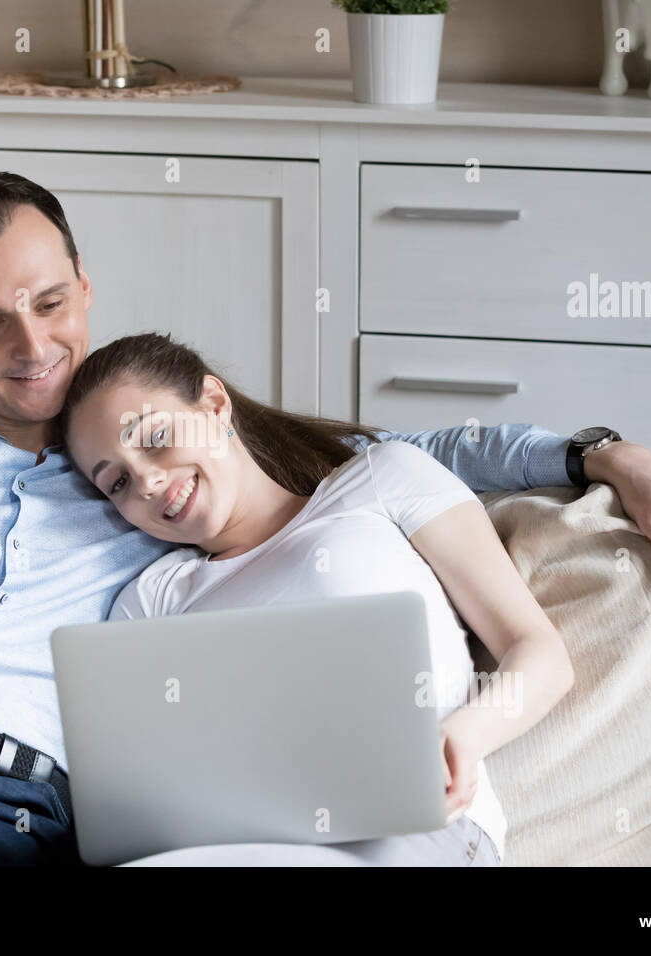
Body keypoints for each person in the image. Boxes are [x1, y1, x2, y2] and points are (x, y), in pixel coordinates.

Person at [0, 170, 651, 866]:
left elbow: (400, 460)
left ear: (84, 289)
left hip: (29, 817)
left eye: (50, 303)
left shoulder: (152, 474)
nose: (31, 345)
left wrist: (602, 453)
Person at [60, 332, 581, 865]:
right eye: (117, 482)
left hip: (413, 828)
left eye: (155, 438)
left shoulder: (382, 480)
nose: (145, 482)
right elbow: (139, 788)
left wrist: (463, 738)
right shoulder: (149, 602)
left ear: (214, 405)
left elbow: (538, 651)